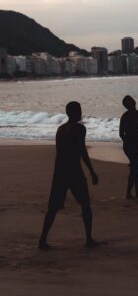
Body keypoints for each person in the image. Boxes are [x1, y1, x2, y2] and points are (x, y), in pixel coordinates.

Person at [38, 101, 100, 249]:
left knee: (52, 208)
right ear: (73, 112)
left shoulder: (60, 129)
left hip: (60, 171)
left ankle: (42, 240)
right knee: (85, 205)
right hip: (74, 171)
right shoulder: (80, 129)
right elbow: (82, 152)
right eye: (79, 110)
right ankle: (89, 239)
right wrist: (92, 171)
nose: (80, 112)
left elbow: (60, 152)